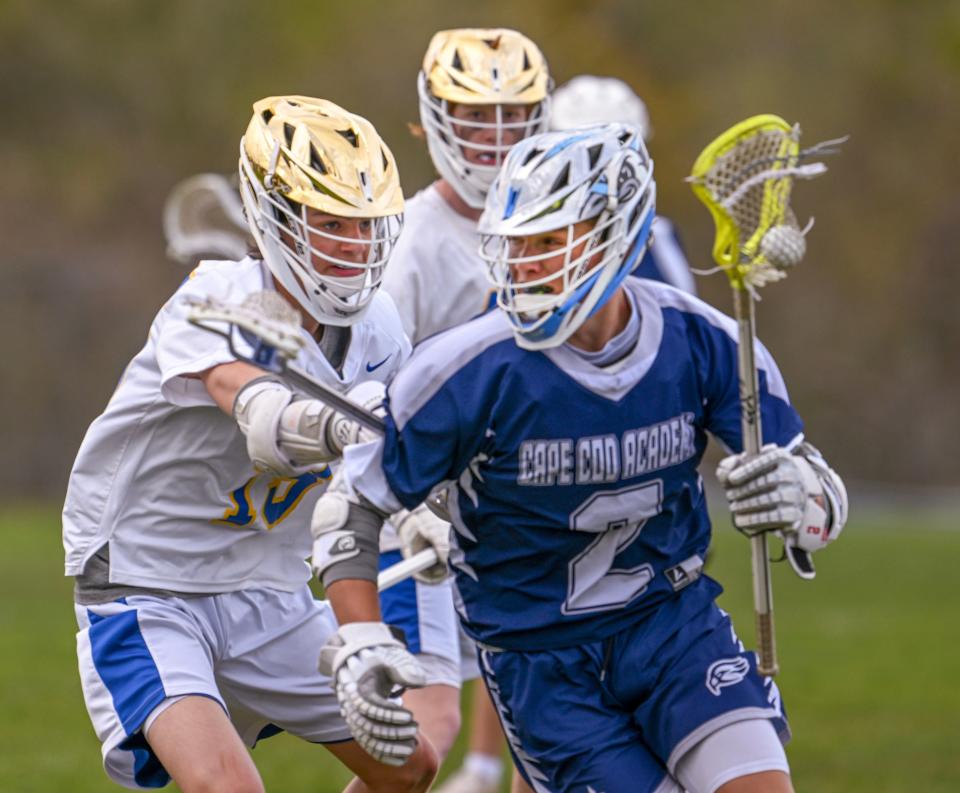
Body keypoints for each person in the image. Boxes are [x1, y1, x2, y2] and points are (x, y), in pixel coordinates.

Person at [308, 123, 848, 793]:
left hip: (673, 628)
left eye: (546, 242)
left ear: (615, 233)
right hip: (544, 664)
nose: (523, 265)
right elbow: (349, 512)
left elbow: (816, 493)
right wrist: (363, 640)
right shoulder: (466, 368)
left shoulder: (700, 341)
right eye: (515, 245)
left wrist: (800, 498)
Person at [62, 95, 438, 793]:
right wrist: (342, 423)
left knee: (410, 765)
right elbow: (258, 414)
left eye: (364, 225)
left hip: (269, 588)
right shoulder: (213, 298)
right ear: (275, 219)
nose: (354, 245)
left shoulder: (382, 331)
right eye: (331, 224)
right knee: (226, 784)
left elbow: (384, 476)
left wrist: (425, 508)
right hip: (149, 582)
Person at [373, 27, 551, 789]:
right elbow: (371, 398)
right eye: (478, 117)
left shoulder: (546, 226)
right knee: (430, 725)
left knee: (544, 717)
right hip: (420, 527)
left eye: (515, 117)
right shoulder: (413, 242)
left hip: (508, 520)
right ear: (433, 119)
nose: (498, 138)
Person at [551, 74, 697, 296]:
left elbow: (683, 320)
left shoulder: (660, 237)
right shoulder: (522, 240)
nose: (602, 166)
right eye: (588, 153)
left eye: (618, 150)